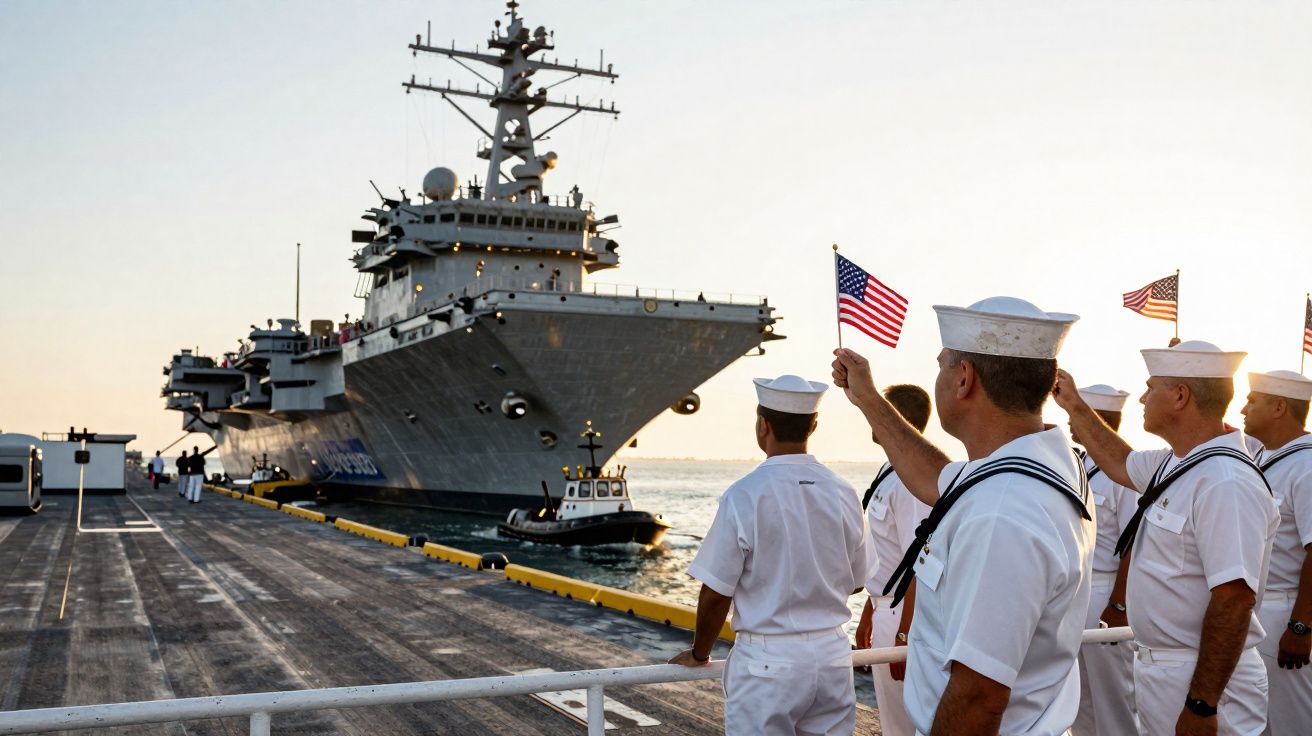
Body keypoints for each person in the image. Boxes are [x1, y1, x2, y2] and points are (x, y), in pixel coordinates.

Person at [832, 296, 1094, 735]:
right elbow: (938, 480)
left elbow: (978, 698)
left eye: (942, 366)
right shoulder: (1041, 464)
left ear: (963, 380)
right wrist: (867, 398)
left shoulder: (1003, 510)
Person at [1054, 340, 1279, 735]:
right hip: (1166, 671)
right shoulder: (1176, 463)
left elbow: (1233, 599)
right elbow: (1120, 461)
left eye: (1151, 387)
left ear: (1180, 396)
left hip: (1205, 682)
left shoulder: (1225, 481)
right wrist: (1073, 404)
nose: (1142, 397)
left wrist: (1202, 704)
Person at [669, 374, 876, 735]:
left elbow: (717, 591)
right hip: (831, 656)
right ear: (814, 424)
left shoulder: (744, 494)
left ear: (762, 425)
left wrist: (700, 653)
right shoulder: (844, 492)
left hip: (768, 663)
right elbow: (858, 584)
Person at [853, 384, 932, 736]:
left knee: (904, 724)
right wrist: (869, 612)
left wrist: (905, 634)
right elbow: (890, 554)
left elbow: (921, 559)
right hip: (887, 609)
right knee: (892, 721)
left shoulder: (910, 479)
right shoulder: (891, 469)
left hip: (905, 615)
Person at [1240, 368, 1312, 736]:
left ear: (1280, 407)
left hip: (1289, 614)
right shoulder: (1263, 456)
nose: (1242, 409)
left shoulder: (1308, 464)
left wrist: (1300, 627)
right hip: (1258, 613)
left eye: (1252, 401)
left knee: (1293, 725)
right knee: (1260, 725)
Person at [1068, 384, 1140, 736]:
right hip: (1074, 592)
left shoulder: (1124, 475)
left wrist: (1119, 605)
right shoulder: (1075, 465)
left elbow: (1133, 544)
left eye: (1076, 414)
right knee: (1077, 699)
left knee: (1114, 700)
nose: (1069, 422)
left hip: (1104, 593)